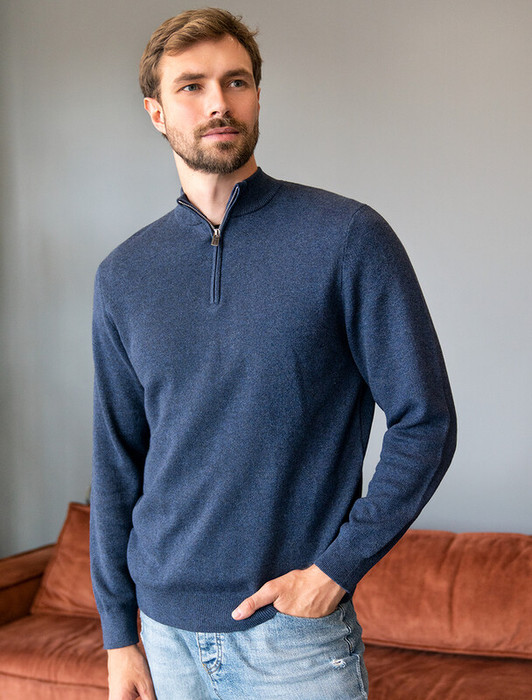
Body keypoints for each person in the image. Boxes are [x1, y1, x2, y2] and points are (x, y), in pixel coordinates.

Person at [90, 8, 457, 700]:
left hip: (293, 640)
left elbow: (427, 421)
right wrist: (118, 634)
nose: (219, 103)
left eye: (236, 82)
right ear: (157, 113)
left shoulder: (346, 238)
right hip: (163, 636)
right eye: (192, 86)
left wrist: (335, 571)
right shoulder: (123, 275)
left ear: (257, 97)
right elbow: (117, 461)